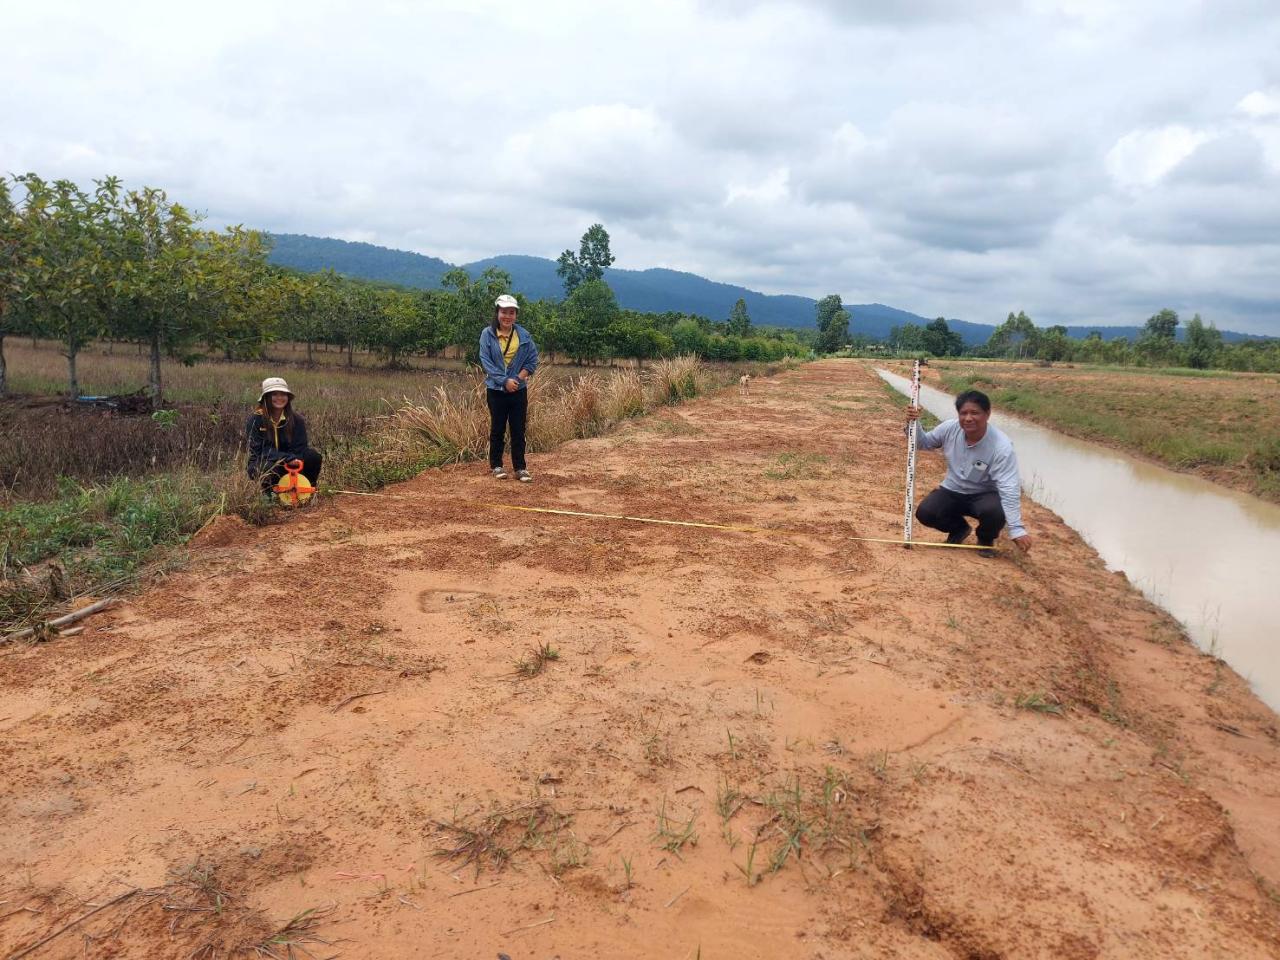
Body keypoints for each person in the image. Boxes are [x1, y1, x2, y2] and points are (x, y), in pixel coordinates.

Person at [905, 389, 1032, 556]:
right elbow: (923, 443)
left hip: (984, 494)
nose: (968, 418)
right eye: (963, 413)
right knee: (926, 513)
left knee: (995, 511)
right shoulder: (950, 428)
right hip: (952, 490)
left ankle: (986, 539)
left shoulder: (1002, 447)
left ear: (987, 414)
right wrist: (913, 424)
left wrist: (1016, 529)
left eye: (975, 413)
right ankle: (959, 529)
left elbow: (1009, 487)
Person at [479, 293, 539, 482]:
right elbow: (486, 362)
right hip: (496, 390)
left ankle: (520, 467)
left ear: (516, 315)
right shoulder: (487, 334)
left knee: (518, 429)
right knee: (497, 428)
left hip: (518, 390)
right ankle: (496, 465)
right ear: (497, 313)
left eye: (511, 312)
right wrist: (504, 381)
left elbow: (532, 360)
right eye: (504, 312)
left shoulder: (524, 335)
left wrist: (518, 379)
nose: (507, 316)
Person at [246, 376, 323, 496]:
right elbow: (260, 451)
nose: (279, 398)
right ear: (266, 397)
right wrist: (286, 458)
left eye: (283, 394)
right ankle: (269, 495)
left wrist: (294, 459)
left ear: (288, 397)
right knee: (265, 467)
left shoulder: (297, 420)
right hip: (268, 462)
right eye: (274, 394)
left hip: (292, 463)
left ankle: (307, 491)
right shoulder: (255, 420)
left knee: (313, 456)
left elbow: (301, 447)